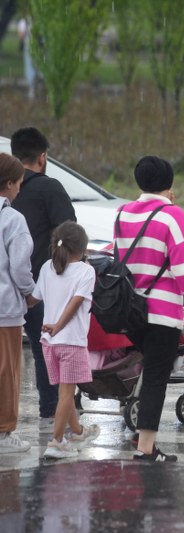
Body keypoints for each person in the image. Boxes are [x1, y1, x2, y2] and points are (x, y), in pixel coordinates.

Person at [116, 156, 184, 461]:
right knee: (157, 377)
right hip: (161, 313)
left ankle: (140, 437)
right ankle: (146, 448)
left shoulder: (122, 213)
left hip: (131, 311)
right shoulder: (171, 216)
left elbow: (123, 262)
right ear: (169, 184)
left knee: (146, 372)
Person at [10, 127, 77, 436]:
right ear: (42, 157)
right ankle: (50, 413)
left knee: (8, 356)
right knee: (45, 349)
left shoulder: (7, 191)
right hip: (40, 286)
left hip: (6, 288)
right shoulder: (50, 188)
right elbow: (69, 236)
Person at [31, 221, 100, 459]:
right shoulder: (86, 271)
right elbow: (75, 303)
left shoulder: (47, 268)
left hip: (48, 342)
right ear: (82, 249)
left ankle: (78, 432)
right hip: (70, 341)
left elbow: (34, 299)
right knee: (66, 394)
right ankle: (56, 442)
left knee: (64, 392)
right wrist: (59, 326)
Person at [0, 154, 35, 454]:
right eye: (19, 184)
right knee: (7, 371)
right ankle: (3, 434)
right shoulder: (12, 219)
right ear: (9, 183)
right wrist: (31, 293)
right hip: (5, 310)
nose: (20, 190)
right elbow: (20, 268)